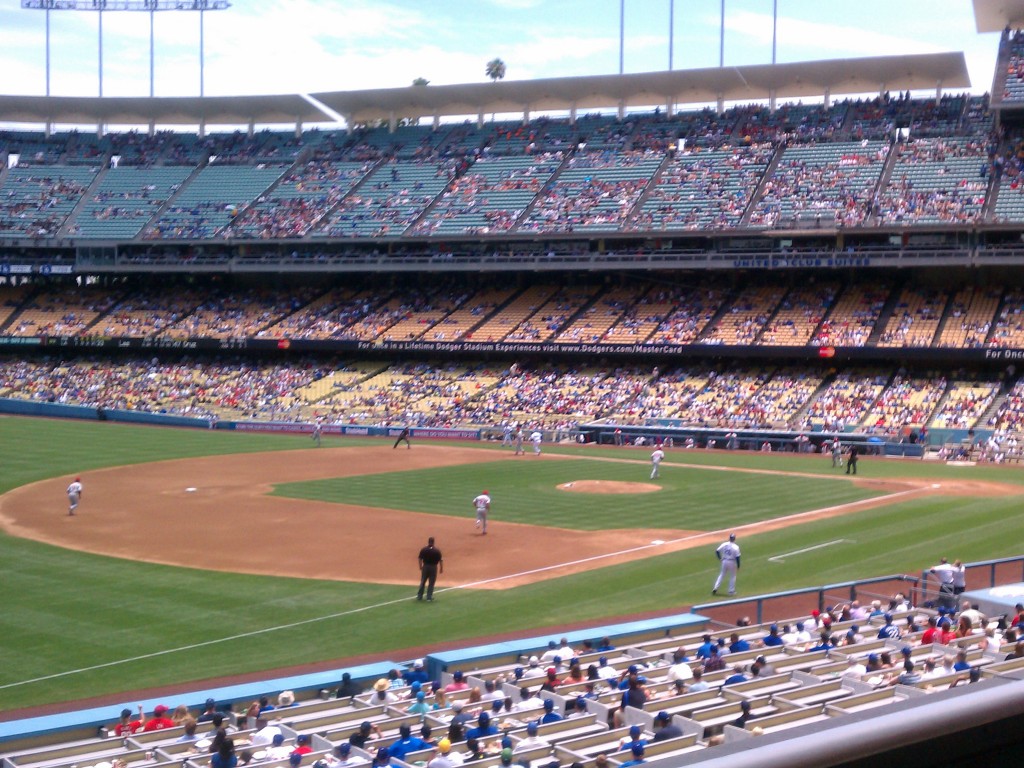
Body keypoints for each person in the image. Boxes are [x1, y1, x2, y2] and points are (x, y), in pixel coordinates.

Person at [417, 537, 443, 601]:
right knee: (431, 582)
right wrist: (441, 568)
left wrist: (420, 566)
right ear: (433, 542)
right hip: (433, 567)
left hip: (425, 567)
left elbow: (420, 558)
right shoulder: (437, 550)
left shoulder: (424, 549)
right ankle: (429, 597)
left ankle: (419, 596)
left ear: (428, 541)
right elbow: (440, 560)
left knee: (423, 581)